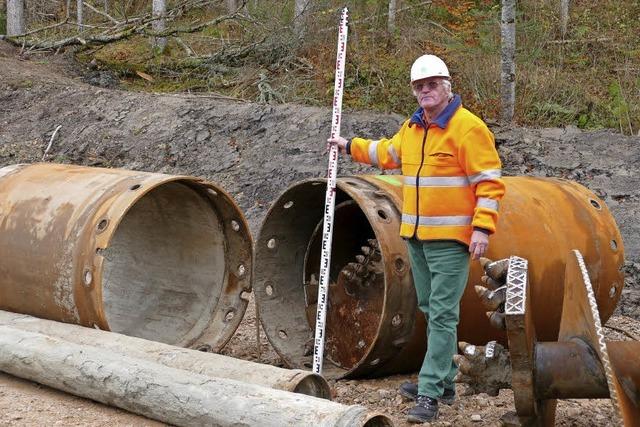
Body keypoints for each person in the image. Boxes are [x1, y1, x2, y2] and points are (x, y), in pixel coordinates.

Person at [327, 54, 505, 423]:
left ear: (447, 86)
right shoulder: (413, 128)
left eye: (431, 84)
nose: (425, 91)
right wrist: (348, 146)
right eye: (419, 86)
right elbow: (387, 154)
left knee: (441, 313)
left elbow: (489, 182)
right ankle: (446, 383)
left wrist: (482, 228)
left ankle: (429, 393)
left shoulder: (468, 128)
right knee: (429, 309)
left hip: (451, 239)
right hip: (416, 235)